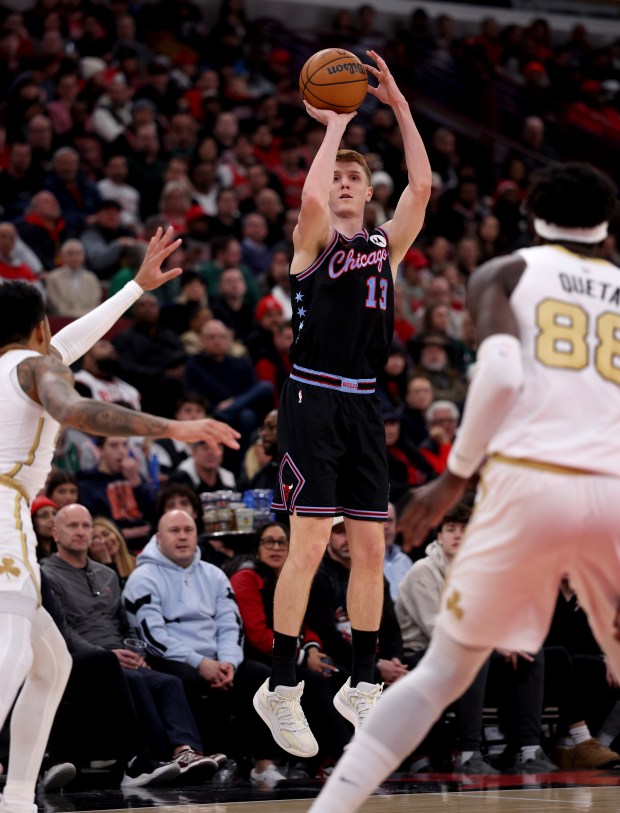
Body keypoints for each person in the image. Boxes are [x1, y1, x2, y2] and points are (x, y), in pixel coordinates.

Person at [308, 161, 620, 812]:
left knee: (439, 678)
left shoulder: (506, 271)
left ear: (530, 215)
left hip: (532, 485)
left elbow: (502, 369)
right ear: (607, 223)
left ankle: (331, 809)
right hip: (611, 489)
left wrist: (452, 478)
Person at [0, 228, 239, 813]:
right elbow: (77, 408)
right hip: (2, 518)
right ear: (41, 329)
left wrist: (133, 288)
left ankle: (15, 799)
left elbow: (67, 347)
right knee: (9, 663)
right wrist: (172, 427)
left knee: (50, 664)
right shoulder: (36, 369)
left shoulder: (17, 365)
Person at [253, 49, 431, 759]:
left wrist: (400, 108)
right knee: (305, 546)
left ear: (370, 192)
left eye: (358, 177)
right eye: (339, 177)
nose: (346, 184)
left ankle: (361, 679)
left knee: (369, 546)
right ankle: (283, 682)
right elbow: (311, 201)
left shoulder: (386, 247)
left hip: (364, 406)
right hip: (312, 399)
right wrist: (334, 127)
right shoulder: (314, 240)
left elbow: (422, 186)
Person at [122, 510, 286, 788]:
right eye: (174, 531)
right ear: (159, 538)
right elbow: (153, 637)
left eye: (188, 530)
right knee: (186, 679)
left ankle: (264, 764)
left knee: (260, 676)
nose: (183, 536)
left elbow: (230, 623)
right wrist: (200, 662)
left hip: (219, 658)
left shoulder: (214, 574)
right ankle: (209, 759)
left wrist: (229, 663)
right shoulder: (142, 577)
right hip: (171, 657)